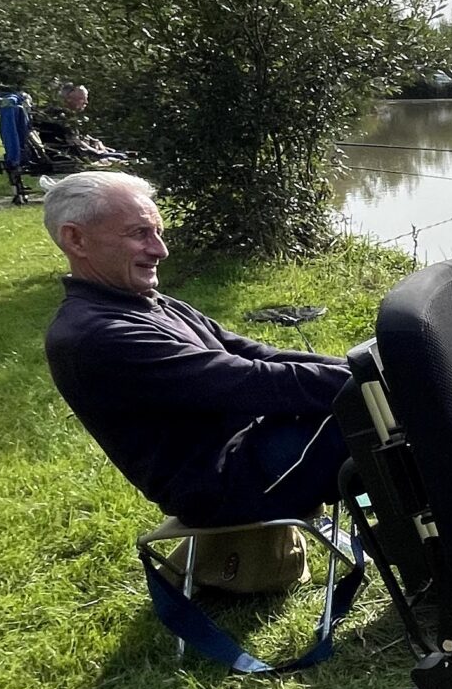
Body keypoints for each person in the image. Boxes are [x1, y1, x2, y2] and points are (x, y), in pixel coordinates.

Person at [41, 171, 351, 527]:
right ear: (76, 240)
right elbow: (252, 381)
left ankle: (416, 533)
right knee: (370, 419)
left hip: (250, 448)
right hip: (223, 488)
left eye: (158, 232)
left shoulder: (143, 302)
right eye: (140, 233)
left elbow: (258, 354)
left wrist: (363, 367)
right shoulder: (97, 335)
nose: (160, 249)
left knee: (375, 409)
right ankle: (417, 547)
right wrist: (373, 379)